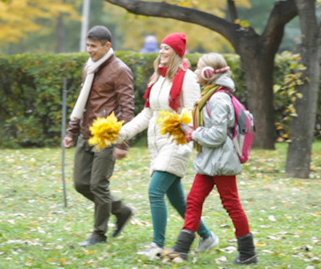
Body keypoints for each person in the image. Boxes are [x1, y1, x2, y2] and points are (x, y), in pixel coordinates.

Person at [117, 33, 218, 258]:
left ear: (176, 52)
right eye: (161, 48)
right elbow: (147, 113)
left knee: (155, 191)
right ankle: (207, 236)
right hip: (157, 145)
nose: (161, 52)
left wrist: (181, 129)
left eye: (166, 48)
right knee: (176, 200)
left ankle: (157, 245)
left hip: (176, 142)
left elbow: (193, 111)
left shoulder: (188, 78)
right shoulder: (158, 79)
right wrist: (122, 132)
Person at [166, 52, 257, 264]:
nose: (196, 71)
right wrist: (190, 129)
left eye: (199, 68)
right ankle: (181, 249)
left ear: (209, 73)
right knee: (194, 201)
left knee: (231, 204)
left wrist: (193, 134)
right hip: (209, 161)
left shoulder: (218, 98)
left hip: (221, 161)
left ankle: (248, 253)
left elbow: (217, 135)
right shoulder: (210, 94)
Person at [63, 25, 135, 247]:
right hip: (85, 133)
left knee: (98, 185)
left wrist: (122, 142)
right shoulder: (89, 67)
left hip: (107, 135)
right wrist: (71, 132)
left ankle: (98, 234)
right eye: (87, 45)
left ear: (107, 46)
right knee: (80, 183)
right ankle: (121, 210)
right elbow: (81, 102)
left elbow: (127, 107)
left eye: (93, 46)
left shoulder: (120, 70)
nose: (89, 50)